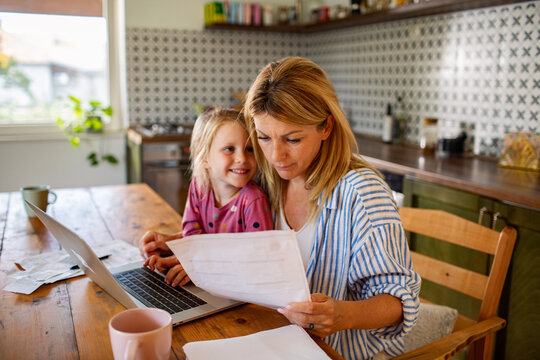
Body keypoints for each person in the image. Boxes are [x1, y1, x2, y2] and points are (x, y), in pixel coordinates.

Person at [243, 57, 421, 359]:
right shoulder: (267, 179)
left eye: (293, 139)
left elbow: (398, 301)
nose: (276, 155)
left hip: (339, 352)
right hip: (275, 338)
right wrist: (185, 246)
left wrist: (343, 315)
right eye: (264, 137)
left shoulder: (362, 193)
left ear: (326, 126)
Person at [139, 107, 273, 286]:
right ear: (204, 158)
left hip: (239, 289)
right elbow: (193, 233)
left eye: (249, 149)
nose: (242, 158)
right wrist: (174, 249)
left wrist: (200, 266)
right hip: (210, 279)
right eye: (229, 149)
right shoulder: (200, 186)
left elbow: (257, 258)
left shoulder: (253, 200)